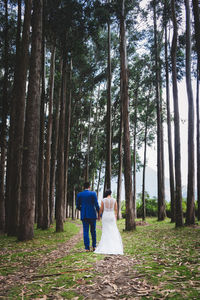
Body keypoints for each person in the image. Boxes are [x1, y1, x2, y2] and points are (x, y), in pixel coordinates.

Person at [94, 189, 123, 255]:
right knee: (113, 230)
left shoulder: (103, 200)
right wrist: (115, 217)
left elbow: (101, 209)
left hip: (105, 216)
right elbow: (116, 210)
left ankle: (105, 245)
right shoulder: (114, 200)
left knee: (105, 231)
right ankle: (114, 246)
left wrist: (99, 216)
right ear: (111, 193)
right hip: (111, 215)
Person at [76, 182, 100, 252]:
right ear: (89, 187)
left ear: (84, 187)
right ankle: (94, 246)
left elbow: (77, 206)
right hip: (92, 215)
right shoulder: (93, 193)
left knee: (85, 231)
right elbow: (96, 204)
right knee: (93, 231)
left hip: (84, 215)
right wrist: (99, 213)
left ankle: (87, 248)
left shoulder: (80, 194)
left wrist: (82, 209)